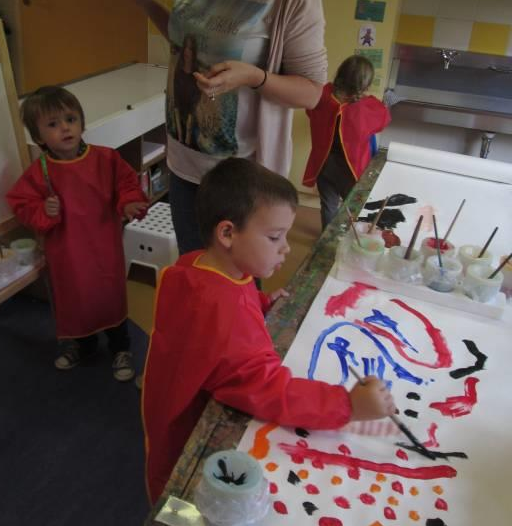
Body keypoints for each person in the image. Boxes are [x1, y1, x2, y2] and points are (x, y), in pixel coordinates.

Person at [141, 157, 396, 503]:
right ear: (228, 233)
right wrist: (347, 404)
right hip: (187, 441)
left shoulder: (198, 265)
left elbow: (213, 313)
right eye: (275, 237)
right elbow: (269, 389)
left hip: (164, 407)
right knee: (184, 514)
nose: (287, 248)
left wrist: (258, 304)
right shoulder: (225, 314)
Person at [116, 0, 327, 255]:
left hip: (238, 185)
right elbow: (187, 45)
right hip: (183, 163)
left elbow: (312, 92)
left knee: (233, 295)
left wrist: (254, 77)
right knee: (195, 280)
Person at [6, 86, 149, 381]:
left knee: (109, 295)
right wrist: (45, 210)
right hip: (67, 252)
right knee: (75, 300)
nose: (65, 128)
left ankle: (121, 347)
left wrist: (130, 203)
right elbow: (21, 204)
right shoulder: (40, 172)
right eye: (53, 124)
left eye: (70, 119)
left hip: (103, 247)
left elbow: (127, 184)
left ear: (82, 122)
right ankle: (84, 345)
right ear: (38, 136)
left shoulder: (105, 159)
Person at [302, 55, 393, 230]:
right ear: (365, 84)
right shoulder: (368, 108)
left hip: (324, 164)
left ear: (340, 74)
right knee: (352, 209)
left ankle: (326, 239)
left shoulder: (322, 95)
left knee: (328, 205)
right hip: (350, 169)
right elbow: (383, 121)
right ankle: (344, 239)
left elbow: (310, 112)